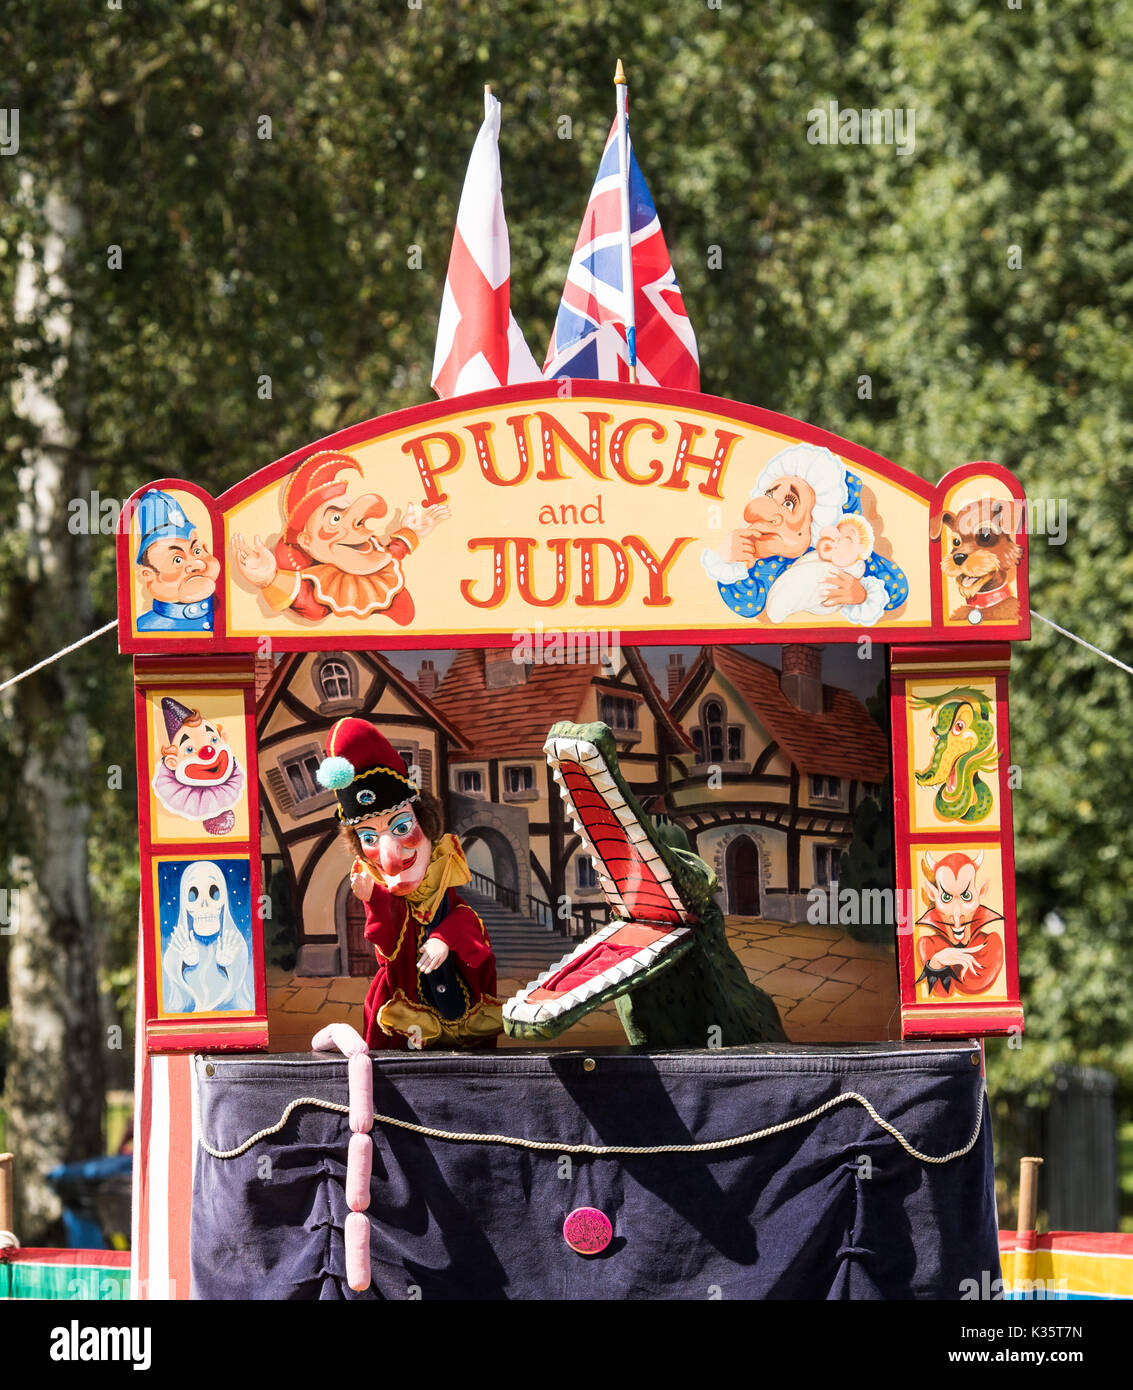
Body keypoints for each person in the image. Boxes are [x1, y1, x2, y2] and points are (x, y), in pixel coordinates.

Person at [316, 717, 501, 1050]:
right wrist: (373, 900)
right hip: (403, 1011)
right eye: (370, 837)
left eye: (401, 827)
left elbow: (469, 925)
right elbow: (388, 946)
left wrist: (445, 938)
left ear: (425, 825)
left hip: (460, 1007)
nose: (392, 857)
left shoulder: (444, 884)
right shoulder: (381, 891)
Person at [700, 443, 908, 624]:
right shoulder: (765, 562)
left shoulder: (840, 554)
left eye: (789, 503)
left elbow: (897, 586)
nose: (768, 511)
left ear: (817, 523)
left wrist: (860, 594)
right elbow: (748, 604)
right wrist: (730, 561)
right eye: (770, 495)